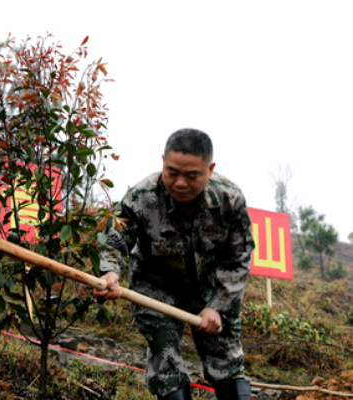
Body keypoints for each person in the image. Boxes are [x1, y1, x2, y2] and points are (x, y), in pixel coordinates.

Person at [94, 129, 254, 400]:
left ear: (210, 169)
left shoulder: (230, 200)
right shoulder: (141, 197)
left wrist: (217, 307)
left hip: (212, 288)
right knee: (166, 363)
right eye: (172, 172)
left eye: (192, 175)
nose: (180, 183)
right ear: (163, 161)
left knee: (227, 364)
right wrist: (110, 272)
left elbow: (238, 257)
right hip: (156, 287)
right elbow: (114, 238)